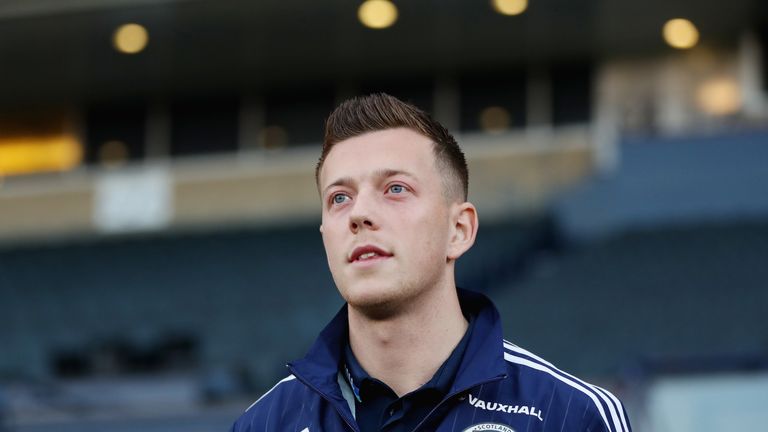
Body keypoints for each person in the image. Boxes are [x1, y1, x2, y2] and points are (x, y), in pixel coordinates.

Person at [231, 93, 631, 432]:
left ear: (459, 230)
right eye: (339, 198)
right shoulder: (264, 423)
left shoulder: (572, 417)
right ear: (325, 235)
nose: (359, 214)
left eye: (396, 189)